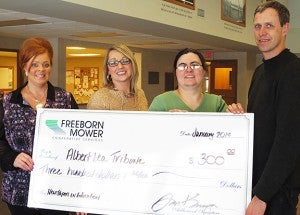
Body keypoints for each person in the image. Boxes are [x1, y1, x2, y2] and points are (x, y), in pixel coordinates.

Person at [227, 1, 300, 214]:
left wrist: (262, 196)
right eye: (257, 26)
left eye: (269, 25)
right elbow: (262, 129)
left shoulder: (293, 73)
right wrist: (243, 119)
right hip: (257, 184)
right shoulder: (259, 72)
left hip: (276, 193)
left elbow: (288, 143)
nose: (262, 32)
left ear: (285, 28)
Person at [0, 37, 85, 215]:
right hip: (19, 192)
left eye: (46, 64)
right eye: (34, 64)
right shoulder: (8, 103)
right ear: (24, 66)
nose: (41, 70)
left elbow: (80, 143)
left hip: (58, 189)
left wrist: (79, 192)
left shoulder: (65, 99)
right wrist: (11, 157)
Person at [148, 48, 227, 112]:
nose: (189, 70)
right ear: (176, 72)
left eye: (195, 65)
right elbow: (147, 130)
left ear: (204, 71)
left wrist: (237, 115)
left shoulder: (217, 103)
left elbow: (232, 130)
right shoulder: (161, 102)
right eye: (182, 66)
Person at [87, 43, 148, 111]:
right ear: (108, 70)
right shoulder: (100, 98)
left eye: (125, 61)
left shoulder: (140, 94)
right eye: (113, 63)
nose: (120, 66)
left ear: (132, 65)